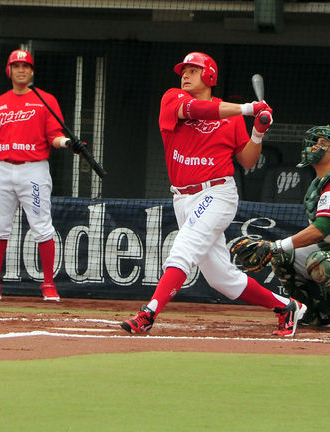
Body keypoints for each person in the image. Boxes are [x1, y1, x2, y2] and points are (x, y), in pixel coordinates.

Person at [120, 52, 306, 337]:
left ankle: (148, 314)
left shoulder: (232, 118)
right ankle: (286, 306)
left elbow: (247, 161)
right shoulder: (172, 99)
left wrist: (258, 132)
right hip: (183, 198)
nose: (185, 75)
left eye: (193, 70)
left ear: (209, 76)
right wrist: (248, 108)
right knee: (221, 278)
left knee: (183, 250)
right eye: (184, 71)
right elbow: (199, 110)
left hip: (217, 193)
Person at [231, 125, 330, 333]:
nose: (314, 147)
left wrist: (274, 245)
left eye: (322, 144)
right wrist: (278, 250)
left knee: (319, 260)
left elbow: (318, 231)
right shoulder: (319, 184)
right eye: (316, 143)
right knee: (283, 257)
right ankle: (320, 316)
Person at [0, 49, 85, 302]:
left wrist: (68, 143)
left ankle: (49, 284)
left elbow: (54, 136)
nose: (21, 70)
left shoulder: (45, 100)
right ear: (8, 71)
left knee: (41, 226)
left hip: (34, 170)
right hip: (2, 169)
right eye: (16, 65)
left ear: (32, 71)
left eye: (26, 66)